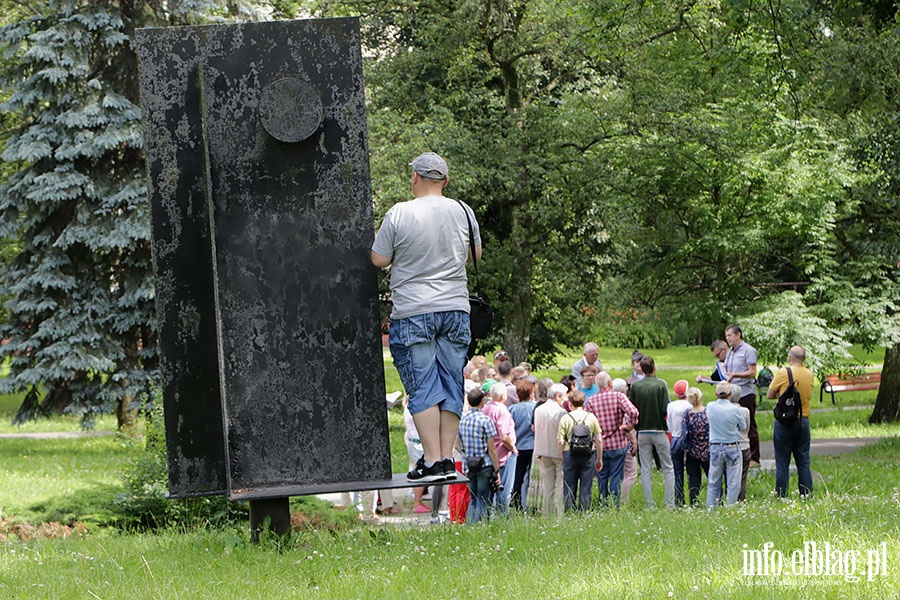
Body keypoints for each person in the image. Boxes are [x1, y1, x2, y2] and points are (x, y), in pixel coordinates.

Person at [372, 152, 481, 483]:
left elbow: (379, 259)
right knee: (451, 381)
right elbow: (476, 254)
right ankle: (447, 458)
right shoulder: (463, 211)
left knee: (421, 385)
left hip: (414, 311)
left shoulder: (400, 213)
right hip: (455, 309)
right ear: (445, 181)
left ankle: (431, 461)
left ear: (415, 178)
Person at [584, 372, 639, 507]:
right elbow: (633, 412)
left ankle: (603, 503)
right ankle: (614, 504)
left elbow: (587, 422)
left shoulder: (591, 401)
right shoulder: (619, 396)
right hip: (618, 442)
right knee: (616, 476)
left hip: (600, 445)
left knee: (602, 476)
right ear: (610, 383)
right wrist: (630, 425)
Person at [766, 345, 814, 498]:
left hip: (785, 422)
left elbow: (769, 394)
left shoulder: (783, 372)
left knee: (782, 462)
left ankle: (781, 495)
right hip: (803, 420)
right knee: (804, 461)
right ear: (804, 359)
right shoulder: (809, 374)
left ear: (790, 358)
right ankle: (806, 494)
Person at [629, 356, 676, 509]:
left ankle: (650, 504)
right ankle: (670, 503)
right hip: (659, 430)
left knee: (646, 469)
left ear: (641, 369)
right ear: (654, 367)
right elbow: (665, 408)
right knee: (668, 468)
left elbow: (633, 409)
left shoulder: (636, 386)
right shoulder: (661, 385)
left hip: (642, 431)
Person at [457, 388, 501, 523]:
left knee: (473, 497)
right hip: (484, 464)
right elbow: (492, 448)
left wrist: (465, 454)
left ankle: (469, 525)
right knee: (483, 497)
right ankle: (477, 527)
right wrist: (497, 469)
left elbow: (456, 444)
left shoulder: (462, 420)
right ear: (482, 401)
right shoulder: (486, 421)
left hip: (468, 464)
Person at [557, 390, 602, 511]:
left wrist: (562, 455)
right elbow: (599, 439)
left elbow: (560, 441)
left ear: (570, 403)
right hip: (588, 453)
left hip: (569, 453)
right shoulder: (591, 417)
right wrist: (599, 458)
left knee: (569, 486)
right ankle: (584, 511)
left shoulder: (565, 418)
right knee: (586, 486)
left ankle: (570, 511)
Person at [706, 381, 747, 508]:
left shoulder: (710, 406)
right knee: (733, 482)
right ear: (730, 394)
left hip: (715, 446)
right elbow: (743, 426)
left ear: (716, 394)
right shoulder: (735, 410)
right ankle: (731, 508)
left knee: (713, 482)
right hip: (732, 446)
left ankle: (711, 508)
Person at [724, 324, 760, 467]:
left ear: (738, 335)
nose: (728, 339)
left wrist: (735, 375)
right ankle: (738, 454)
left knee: (748, 424)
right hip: (731, 393)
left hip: (745, 392)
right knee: (733, 424)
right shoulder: (730, 352)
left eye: (730, 336)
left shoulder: (748, 351)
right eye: (726, 336)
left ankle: (754, 458)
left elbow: (752, 372)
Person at [483, 382, 518, 515]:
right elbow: (504, 436)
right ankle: (502, 517)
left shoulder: (486, 409)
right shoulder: (502, 410)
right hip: (504, 454)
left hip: (489, 453)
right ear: (503, 396)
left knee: (490, 489)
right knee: (504, 488)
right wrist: (513, 448)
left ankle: (488, 516)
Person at [534, 383, 567, 517]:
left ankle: (547, 514)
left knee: (547, 486)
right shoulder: (561, 412)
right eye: (563, 396)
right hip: (557, 451)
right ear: (557, 396)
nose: (564, 399)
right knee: (560, 484)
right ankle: (560, 514)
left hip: (542, 450)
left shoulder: (538, 409)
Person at [509, 380, 537, 511]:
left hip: (518, 446)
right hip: (533, 446)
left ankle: (516, 501)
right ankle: (530, 502)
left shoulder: (512, 409)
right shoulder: (536, 407)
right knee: (531, 477)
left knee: (518, 476)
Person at [613, 377, 639, 504]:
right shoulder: (624, 404)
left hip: (611, 443)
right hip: (624, 442)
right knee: (631, 472)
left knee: (616, 472)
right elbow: (627, 426)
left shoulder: (609, 402)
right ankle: (623, 500)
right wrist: (634, 442)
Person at [683, 387, 710, 506]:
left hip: (692, 451)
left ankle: (694, 502)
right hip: (707, 450)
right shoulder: (708, 412)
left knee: (693, 480)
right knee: (713, 478)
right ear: (701, 397)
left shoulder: (687, 414)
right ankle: (716, 500)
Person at [667, 379, 692, 506]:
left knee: (677, 472)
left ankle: (679, 499)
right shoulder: (690, 406)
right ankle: (693, 497)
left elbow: (669, 424)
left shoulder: (670, 406)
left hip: (675, 439)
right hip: (689, 440)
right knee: (692, 471)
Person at [730, 383, 751, 501]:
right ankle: (740, 499)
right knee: (742, 477)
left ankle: (729, 499)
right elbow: (746, 428)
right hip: (744, 445)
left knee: (729, 476)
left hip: (730, 445)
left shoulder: (724, 410)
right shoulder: (745, 411)